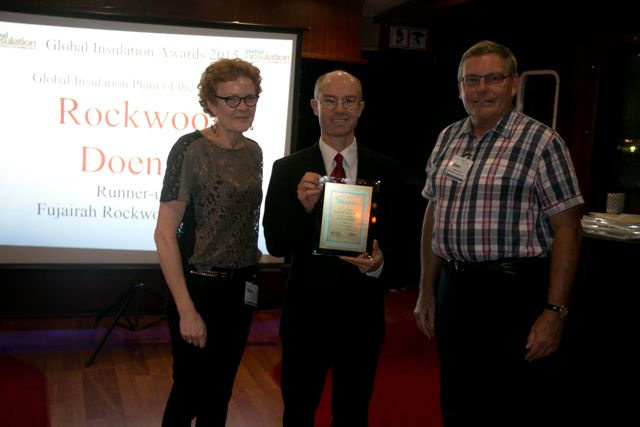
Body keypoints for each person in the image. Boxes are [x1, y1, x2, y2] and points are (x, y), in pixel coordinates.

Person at [413, 40, 584, 427]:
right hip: (454, 289)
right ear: (459, 87)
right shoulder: (448, 138)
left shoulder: (542, 142)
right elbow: (434, 213)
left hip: (513, 293)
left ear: (514, 84)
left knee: (510, 404)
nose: (481, 89)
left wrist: (555, 311)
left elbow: (568, 229)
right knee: (457, 398)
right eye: (471, 80)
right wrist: (426, 290)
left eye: (493, 78)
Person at [263, 70, 400, 426]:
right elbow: (276, 242)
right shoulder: (287, 169)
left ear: (361, 108)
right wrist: (303, 209)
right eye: (330, 100)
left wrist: (381, 263)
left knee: (353, 416)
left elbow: (401, 241)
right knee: (297, 415)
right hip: (305, 319)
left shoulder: (387, 170)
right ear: (314, 106)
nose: (340, 109)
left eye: (348, 100)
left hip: (362, 320)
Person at [154, 58, 263, 427]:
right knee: (188, 392)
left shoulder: (255, 152)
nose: (242, 107)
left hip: (241, 290)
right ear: (211, 103)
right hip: (198, 288)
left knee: (220, 392)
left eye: (249, 98)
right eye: (231, 99)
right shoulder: (190, 149)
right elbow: (164, 234)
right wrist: (186, 310)